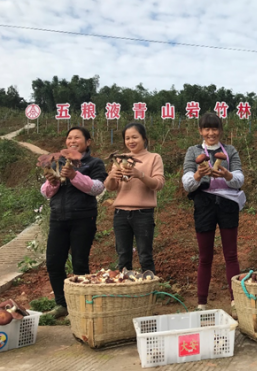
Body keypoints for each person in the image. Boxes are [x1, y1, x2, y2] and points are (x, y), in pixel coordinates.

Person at [182, 112, 245, 319]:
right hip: (204, 204)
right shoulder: (194, 151)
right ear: (200, 131)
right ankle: (201, 302)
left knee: (231, 254)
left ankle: (236, 300)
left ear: (220, 130)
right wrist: (199, 175)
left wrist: (226, 174)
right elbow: (186, 182)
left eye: (215, 128)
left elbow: (239, 178)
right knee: (205, 256)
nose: (211, 133)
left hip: (227, 204)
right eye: (207, 129)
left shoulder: (230, 151)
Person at [40, 126, 107, 318]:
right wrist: (53, 182)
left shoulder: (94, 163)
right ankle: (62, 304)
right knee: (54, 263)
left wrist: (74, 176)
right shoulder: (57, 163)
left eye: (77, 137)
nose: (72, 141)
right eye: (69, 138)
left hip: (83, 218)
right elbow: (45, 193)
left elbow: (97, 188)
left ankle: (82, 305)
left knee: (80, 263)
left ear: (88, 142)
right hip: (58, 218)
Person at [104, 122, 164, 274]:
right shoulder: (120, 159)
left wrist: (140, 175)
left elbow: (158, 184)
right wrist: (112, 176)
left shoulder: (154, 158)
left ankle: (149, 291)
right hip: (120, 214)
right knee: (123, 256)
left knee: (145, 256)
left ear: (144, 138)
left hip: (143, 213)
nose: (131, 141)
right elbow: (110, 187)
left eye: (134, 137)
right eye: (127, 138)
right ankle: (126, 292)